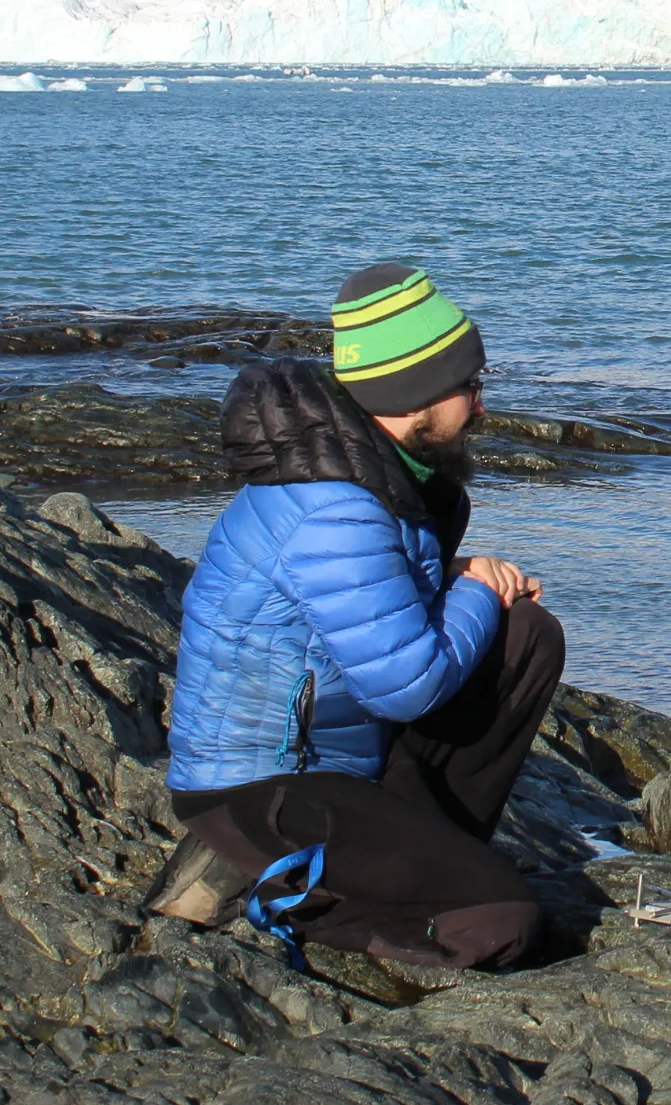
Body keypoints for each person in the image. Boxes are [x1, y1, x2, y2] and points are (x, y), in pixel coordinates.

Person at [146, 262, 565, 968]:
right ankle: (284, 893)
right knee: (504, 924)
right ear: (418, 394)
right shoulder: (335, 507)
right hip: (261, 786)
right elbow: (405, 685)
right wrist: (477, 590)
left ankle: (427, 858)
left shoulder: (378, 473)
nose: (482, 408)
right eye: (471, 388)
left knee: (526, 638)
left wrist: (468, 582)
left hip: (343, 760)